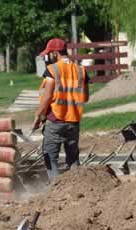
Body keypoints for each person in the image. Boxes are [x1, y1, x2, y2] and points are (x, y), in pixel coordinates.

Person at [32, 38, 90, 181]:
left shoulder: (53, 70)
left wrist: (38, 116)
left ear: (55, 53)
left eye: (49, 53)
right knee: (73, 159)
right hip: (74, 122)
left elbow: (46, 97)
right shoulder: (81, 70)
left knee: (50, 157)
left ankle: (55, 187)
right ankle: (79, 186)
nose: (48, 56)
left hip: (55, 120)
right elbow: (85, 97)